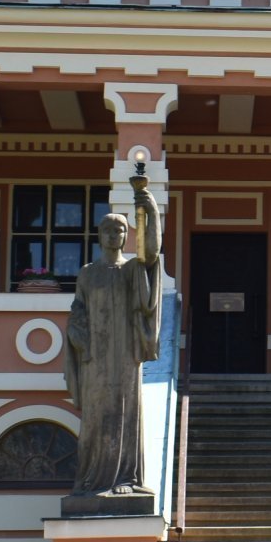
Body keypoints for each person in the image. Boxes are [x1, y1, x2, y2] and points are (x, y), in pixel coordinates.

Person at [63, 175, 161, 497]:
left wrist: (147, 207)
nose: (114, 235)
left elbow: (150, 254)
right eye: (108, 230)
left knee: (123, 412)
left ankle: (124, 480)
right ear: (100, 236)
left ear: (125, 235)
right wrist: (79, 335)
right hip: (94, 358)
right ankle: (92, 480)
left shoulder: (132, 270)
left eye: (120, 230)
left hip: (124, 357)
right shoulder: (87, 273)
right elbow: (78, 309)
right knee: (94, 416)